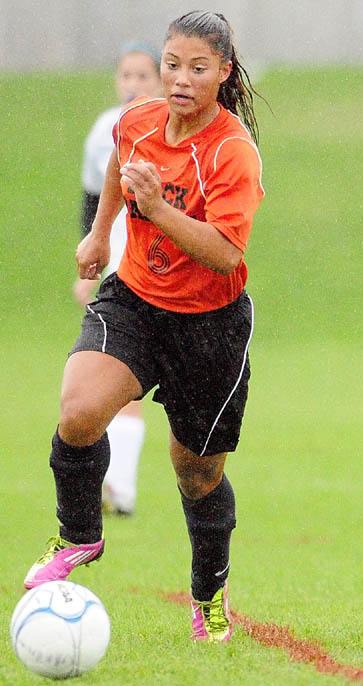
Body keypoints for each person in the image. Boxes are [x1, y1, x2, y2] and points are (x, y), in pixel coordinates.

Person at [24, 11, 265, 644]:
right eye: (173, 64)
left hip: (210, 326)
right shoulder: (138, 119)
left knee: (197, 473)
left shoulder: (232, 150)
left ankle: (209, 593)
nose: (181, 79)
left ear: (224, 74)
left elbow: (226, 253)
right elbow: (119, 168)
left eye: (198, 68)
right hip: (134, 298)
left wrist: (157, 207)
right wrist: (100, 233)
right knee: (78, 413)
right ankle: (79, 536)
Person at [73, 41, 162, 516]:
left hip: (163, 270)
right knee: (111, 378)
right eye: (125, 75)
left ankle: (119, 489)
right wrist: (91, 258)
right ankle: (119, 490)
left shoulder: (176, 131)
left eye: (143, 75)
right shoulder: (103, 133)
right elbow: (94, 200)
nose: (133, 84)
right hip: (118, 273)